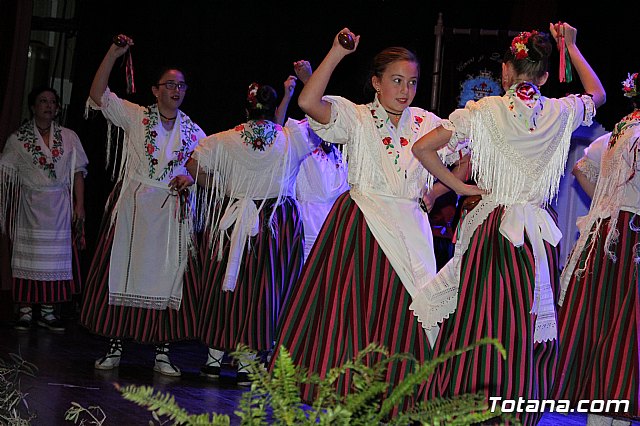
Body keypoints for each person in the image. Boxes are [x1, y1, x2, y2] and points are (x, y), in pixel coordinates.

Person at [411, 22, 605, 425]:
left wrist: (461, 187)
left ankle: (469, 403)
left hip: (493, 226)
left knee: (481, 317)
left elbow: (423, 147)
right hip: (537, 232)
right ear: (546, 76)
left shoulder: (483, 111)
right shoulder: (559, 110)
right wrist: (571, 47)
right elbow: (598, 95)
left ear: (505, 71)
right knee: (525, 322)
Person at [271, 28, 470, 410]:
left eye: (411, 82)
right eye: (396, 80)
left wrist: (437, 192)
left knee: (412, 311)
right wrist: (336, 52)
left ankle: (398, 393)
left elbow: (465, 156)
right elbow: (310, 101)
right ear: (376, 82)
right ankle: (348, 390)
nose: (405, 90)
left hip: (411, 225)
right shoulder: (356, 117)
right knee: (356, 310)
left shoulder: (427, 122)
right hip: (363, 223)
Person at [80, 34, 206, 376]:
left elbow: (205, 164)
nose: (176, 90)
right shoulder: (136, 116)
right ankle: (115, 346)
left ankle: (162, 352)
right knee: (123, 273)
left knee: (168, 280)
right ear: (155, 90)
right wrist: (113, 53)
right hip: (134, 209)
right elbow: (97, 95)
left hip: (170, 216)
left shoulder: (194, 131)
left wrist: (191, 177)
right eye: (169, 85)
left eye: (181, 86)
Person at [186, 77, 316, 385]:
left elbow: (192, 165)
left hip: (234, 217)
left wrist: (223, 189)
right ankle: (248, 363)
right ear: (274, 110)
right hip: (274, 223)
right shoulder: (291, 137)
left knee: (226, 285)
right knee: (263, 290)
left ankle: (214, 359)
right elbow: (319, 127)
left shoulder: (225, 138)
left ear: (247, 108)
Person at [552, 73, 640, 425]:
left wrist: (607, 203)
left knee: (604, 327)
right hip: (630, 235)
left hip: (605, 232)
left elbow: (580, 168)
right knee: (622, 331)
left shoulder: (622, 128)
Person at [0, 85, 88, 332]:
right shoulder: (18, 139)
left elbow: (79, 173)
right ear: (32, 106)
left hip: (59, 205)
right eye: (43, 101)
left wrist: (79, 205)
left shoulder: (69, 137)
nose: (48, 106)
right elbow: (5, 173)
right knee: (29, 257)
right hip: (30, 207)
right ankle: (26, 310)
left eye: (52, 102)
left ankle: (48, 312)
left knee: (53, 262)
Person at [286, 60, 349, 262]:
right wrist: (303, 84)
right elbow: (277, 134)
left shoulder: (338, 142)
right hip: (308, 223)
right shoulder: (301, 133)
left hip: (335, 224)